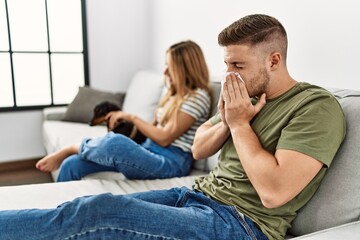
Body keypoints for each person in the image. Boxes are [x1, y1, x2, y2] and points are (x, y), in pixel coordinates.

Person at [0, 14, 346, 240]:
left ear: (274, 60)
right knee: (90, 204)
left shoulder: (315, 107)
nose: (228, 75)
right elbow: (199, 148)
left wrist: (240, 124)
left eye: (238, 64)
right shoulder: (240, 95)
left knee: (99, 214)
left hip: (241, 224)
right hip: (198, 193)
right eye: (226, 64)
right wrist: (230, 119)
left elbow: (274, 192)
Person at [35, 40, 212, 182]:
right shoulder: (172, 94)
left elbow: (164, 138)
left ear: (184, 68)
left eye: (170, 66)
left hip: (171, 162)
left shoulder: (198, 97)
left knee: (115, 143)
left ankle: (72, 148)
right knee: (72, 165)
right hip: (148, 149)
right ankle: (62, 216)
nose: (165, 71)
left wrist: (131, 117)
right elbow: (152, 131)